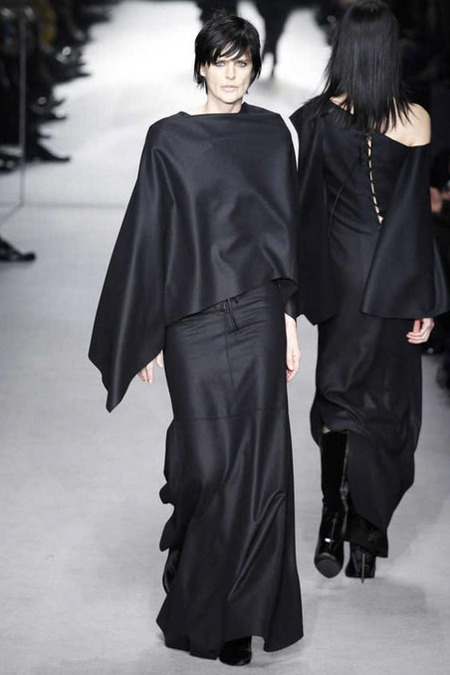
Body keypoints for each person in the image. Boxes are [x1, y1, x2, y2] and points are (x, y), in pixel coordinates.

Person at [89, 13, 303, 666]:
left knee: (260, 468)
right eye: (221, 61)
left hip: (260, 312)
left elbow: (283, 231)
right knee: (208, 463)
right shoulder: (169, 139)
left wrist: (289, 319)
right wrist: (148, 328)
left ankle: (238, 619)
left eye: (243, 62)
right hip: (192, 320)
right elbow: (148, 234)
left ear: (254, 67)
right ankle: (188, 539)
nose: (232, 74)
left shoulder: (272, 134)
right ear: (202, 66)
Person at [290, 0, 449, 582]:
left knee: (339, 394)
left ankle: (332, 514)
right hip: (394, 278)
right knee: (388, 404)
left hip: (340, 275)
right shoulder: (417, 120)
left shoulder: (313, 119)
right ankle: (366, 529)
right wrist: (427, 297)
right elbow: (413, 218)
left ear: (343, 49)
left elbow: (302, 207)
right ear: (389, 50)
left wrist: (294, 293)